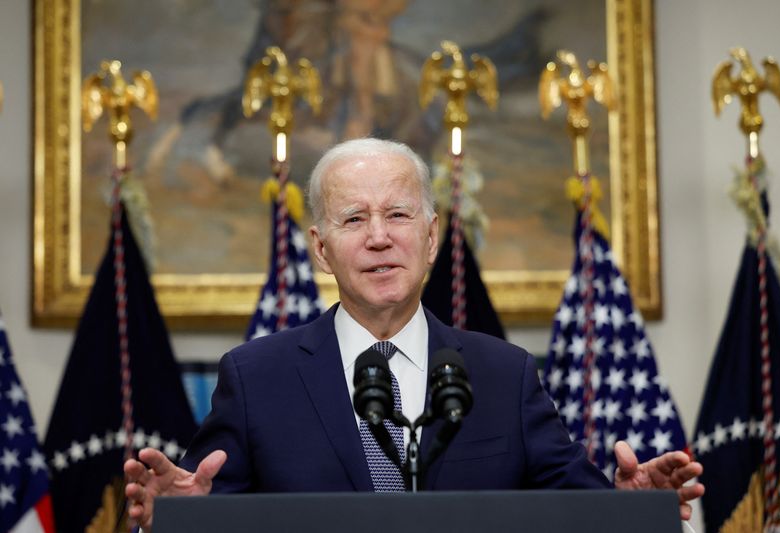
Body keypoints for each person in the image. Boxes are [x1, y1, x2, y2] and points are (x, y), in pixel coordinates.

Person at [124, 138, 703, 531]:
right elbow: (209, 511)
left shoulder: (505, 375)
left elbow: (578, 513)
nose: (379, 237)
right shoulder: (256, 379)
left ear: (430, 239)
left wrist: (627, 509)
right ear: (321, 250)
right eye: (354, 219)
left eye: (398, 215)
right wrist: (185, 520)